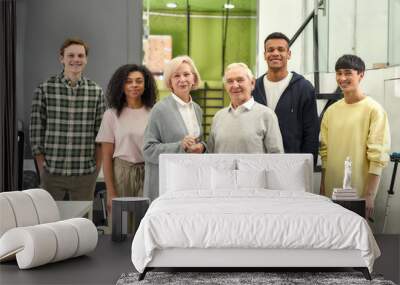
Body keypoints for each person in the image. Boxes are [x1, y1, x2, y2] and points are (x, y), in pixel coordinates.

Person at [30, 37, 105, 201]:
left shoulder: (96, 92)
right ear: (61, 58)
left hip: (85, 174)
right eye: (71, 55)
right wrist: (43, 170)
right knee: (50, 222)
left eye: (80, 56)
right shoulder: (44, 89)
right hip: (52, 173)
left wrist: (96, 169)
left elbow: (100, 136)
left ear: (86, 60)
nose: (76, 60)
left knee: (82, 223)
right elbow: (36, 134)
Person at [320, 54, 391, 218]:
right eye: (338, 73)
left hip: (359, 193)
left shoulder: (374, 110)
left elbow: (377, 157)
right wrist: (323, 188)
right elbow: (325, 153)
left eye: (347, 73)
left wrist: (369, 195)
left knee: (357, 240)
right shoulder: (331, 111)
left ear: (361, 74)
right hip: (332, 192)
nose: (342, 78)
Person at [96, 64, 157, 213]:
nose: (134, 85)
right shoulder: (111, 115)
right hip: (121, 174)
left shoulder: (155, 112)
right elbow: (106, 156)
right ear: (121, 85)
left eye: (139, 81)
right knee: (122, 225)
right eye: (128, 81)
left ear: (145, 84)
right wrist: (111, 192)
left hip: (148, 172)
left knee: (145, 222)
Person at [143, 55, 206, 200]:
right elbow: (148, 150)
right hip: (167, 182)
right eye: (176, 76)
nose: (182, 79)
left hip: (190, 180)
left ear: (194, 79)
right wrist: (180, 146)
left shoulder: (197, 109)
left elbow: (198, 142)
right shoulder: (160, 109)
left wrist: (201, 147)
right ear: (170, 82)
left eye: (186, 74)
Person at [252, 32, 319, 163]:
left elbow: (311, 133)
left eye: (281, 49)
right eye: (270, 50)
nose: (275, 53)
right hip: (258, 163)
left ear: (289, 54)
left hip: (292, 164)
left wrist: (307, 165)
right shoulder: (254, 88)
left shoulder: (304, 88)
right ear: (265, 55)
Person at [208, 63, 284, 154]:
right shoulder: (218, 117)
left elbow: (277, 157)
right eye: (230, 81)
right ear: (225, 86)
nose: (235, 85)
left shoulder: (266, 115)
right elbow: (210, 155)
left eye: (240, 80)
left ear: (252, 83)